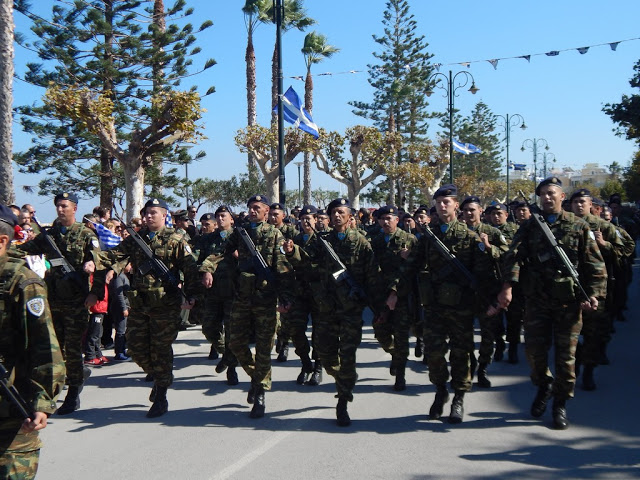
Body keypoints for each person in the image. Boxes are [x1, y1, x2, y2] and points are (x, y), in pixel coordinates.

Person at [494, 177, 607, 430]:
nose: (547, 197)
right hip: (537, 301)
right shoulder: (529, 227)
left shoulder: (578, 227)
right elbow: (513, 257)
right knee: (534, 352)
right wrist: (508, 287)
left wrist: (594, 296)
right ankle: (544, 385)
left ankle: (560, 403)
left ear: (561, 197)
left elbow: (595, 265)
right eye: (543, 194)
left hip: (569, 303)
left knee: (566, 357)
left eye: (552, 193)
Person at [84, 198, 201, 418]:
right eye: (146, 212)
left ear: (164, 215)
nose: (148, 216)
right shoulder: (137, 239)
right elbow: (114, 255)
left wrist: (192, 296)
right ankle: (159, 378)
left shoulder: (176, 239)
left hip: (165, 305)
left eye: (153, 213)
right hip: (140, 304)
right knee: (136, 348)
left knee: (161, 349)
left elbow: (190, 268)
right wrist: (94, 261)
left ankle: (161, 394)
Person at [399, 185, 493, 424]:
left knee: (461, 354)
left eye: (447, 202)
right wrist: (395, 292)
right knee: (434, 353)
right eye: (439, 202)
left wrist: (486, 302)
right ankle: (440, 390)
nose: (442, 206)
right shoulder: (428, 237)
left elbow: (482, 275)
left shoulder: (470, 236)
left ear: (455, 206)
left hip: (461, 306)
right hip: (434, 306)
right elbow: (411, 267)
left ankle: (459, 397)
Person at [17, 192, 101, 415]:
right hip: (53, 299)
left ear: (74, 208)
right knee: (55, 349)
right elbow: (23, 250)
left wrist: (95, 292)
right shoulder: (50, 235)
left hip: (76, 301)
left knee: (72, 348)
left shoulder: (86, 234)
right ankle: (59, 385)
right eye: (57, 206)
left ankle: (73, 394)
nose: (60, 209)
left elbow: (100, 263)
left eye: (64, 206)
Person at [0, 204, 66, 479]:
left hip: (12, 412)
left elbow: (45, 347)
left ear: (2, 241)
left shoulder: (23, 283)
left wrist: (42, 402)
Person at [215, 195, 294, 419]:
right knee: (236, 344)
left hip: (265, 298)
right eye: (250, 207)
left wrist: (284, 298)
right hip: (242, 297)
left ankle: (259, 392)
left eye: (257, 208)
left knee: (263, 350)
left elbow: (282, 268)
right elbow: (223, 251)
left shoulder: (274, 234)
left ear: (266, 211)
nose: (252, 211)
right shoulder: (240, 233)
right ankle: (256, 377)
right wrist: (207, 268)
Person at [311, 198, 379, 426]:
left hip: (350, 310)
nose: (337, 216)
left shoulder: (361, 243)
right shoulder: (321, 241)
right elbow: (306, 265)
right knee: (325, 353)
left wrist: (376, 307)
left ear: (351, 216)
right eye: (333, 213)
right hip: (326, 308)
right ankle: (345, 380)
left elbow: (372, 278)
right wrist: (292, 253)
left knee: (348, 357)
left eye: (341, 212)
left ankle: (343, 401)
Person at [569, 189, 624, 390]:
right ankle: (573, 370)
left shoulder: (603, 226)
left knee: (593, 333)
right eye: (575, 202)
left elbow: (624, 251)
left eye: (582, 201)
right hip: (571, 287)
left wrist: (604, 244)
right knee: (570, 333)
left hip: (597, 286)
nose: (579, 205)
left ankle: (589, 371)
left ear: (590, 204)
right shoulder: (565, 226)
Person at [460, 196, 508, 387]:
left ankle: (483, 368)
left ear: (481, 211)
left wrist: (490, 248)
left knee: (488, 334)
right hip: (464, 292)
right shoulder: (459, 233)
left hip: (488, 291)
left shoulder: (492, 232)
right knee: (464, 333)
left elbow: (507, 253)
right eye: (465, 210)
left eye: (473, 209)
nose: (469, 213)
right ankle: (470, 363)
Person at [369, 205, 417, 391]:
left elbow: (412, 271)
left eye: (390, 218)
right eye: (383, 218)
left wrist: (395, 293)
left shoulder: (409, 240)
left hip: (402, 297)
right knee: (381, 332)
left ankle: (401, 374)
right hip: (380, 297)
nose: (386, 221)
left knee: (401, 336)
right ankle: (396, 356)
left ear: (397, 220)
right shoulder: (376, 241)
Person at [282, 205, 325, 386]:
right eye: (302, 218)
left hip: (320, 292)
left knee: (319, 332)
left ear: (316, 220)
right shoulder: (295, 240)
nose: (306, 221)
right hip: (299, 291)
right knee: (296, 330)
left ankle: (318, 367)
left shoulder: (323, 240)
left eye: (310, 218)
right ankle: (305, 363)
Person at [198, 206, 240, 385]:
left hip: (233, 291)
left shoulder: (239, 237)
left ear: (232, 220)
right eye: (218, 216)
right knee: (209, 328)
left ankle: (232, 370)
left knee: (231, 332)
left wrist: (240, 256)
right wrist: (203, 272)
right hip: (213, 291)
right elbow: (199, 260)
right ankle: (227, 355)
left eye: (223, 216)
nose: (220, 219)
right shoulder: (208, 239)